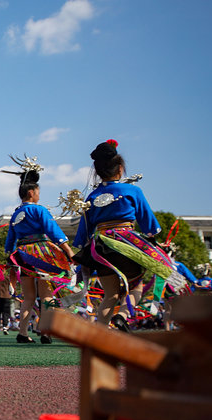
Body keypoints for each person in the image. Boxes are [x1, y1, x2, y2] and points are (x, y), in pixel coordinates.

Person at [72, 140, 174, 331]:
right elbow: (149, 224)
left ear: (98, 171)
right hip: (126, 242)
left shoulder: (92, 197)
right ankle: (122, 315)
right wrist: (154, 240)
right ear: (120, 169)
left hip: (101, 248)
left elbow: (83, 232)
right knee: (136, 286)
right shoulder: (133, 191)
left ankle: (100, 334)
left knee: (110, 294)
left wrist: (82, 252)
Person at [3, 156, 76, 344]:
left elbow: (10, 240)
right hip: (42, 254)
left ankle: (23, 332)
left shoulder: (16, 214)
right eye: (37, 191)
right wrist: (67, 250)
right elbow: (53, 231)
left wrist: (10, 257)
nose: (39, 194)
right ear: (31, 192)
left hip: (23, 256)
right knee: (46, 295)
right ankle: (45, 332)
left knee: (28, 297)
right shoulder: (39, 210)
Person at [0, 268, 14, 335]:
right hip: (6, 296)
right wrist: (15, 295)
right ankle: (4, 327)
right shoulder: (7, 278)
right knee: (6, 313)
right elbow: (11, 287)